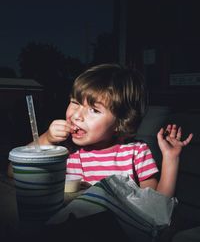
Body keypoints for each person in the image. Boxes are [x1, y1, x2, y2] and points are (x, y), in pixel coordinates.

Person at [36, 63, 193, 198]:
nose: (77, 116)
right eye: (75, 102)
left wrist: (170, 158)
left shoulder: (136, 153)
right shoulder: (65, 149)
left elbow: (156, 205)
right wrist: (47, 139)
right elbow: (14, 171)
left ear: (120, 122)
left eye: (94, 110)